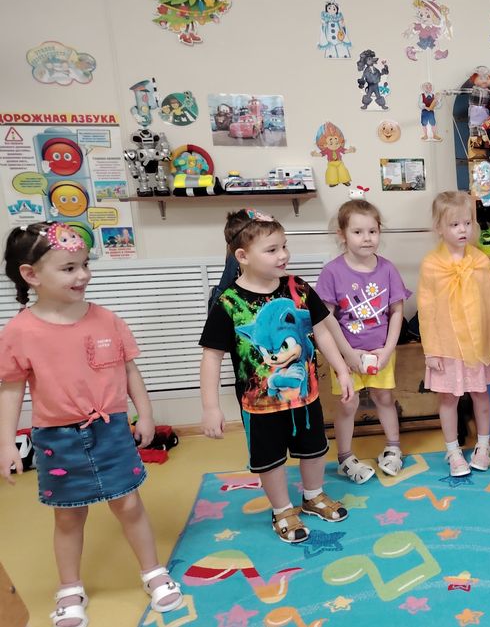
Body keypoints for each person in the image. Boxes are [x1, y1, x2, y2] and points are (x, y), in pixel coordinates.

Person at [0, 222, 183, 625]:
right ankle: (69, 587)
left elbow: (130, 371)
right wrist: (6, 442)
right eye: (69, 268)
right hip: (57, 438)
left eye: (85, 265)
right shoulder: (19, 331)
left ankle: (153, 571)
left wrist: (146, 413)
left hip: (111, 429)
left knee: (129, 504)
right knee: (68, 515)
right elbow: (11, 389)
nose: (82, 275)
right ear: (31, 274)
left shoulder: (107, 320)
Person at [199, 209, 355, 544]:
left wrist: (342, 370)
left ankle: (313, 496)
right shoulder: (228, 303)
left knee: (314, 450)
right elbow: (211, 357)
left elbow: (322, 332)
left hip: (305, 396)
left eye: (284, 246)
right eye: (272, 250)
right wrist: (211, 407)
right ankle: (282, 509)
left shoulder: (298, 288)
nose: (283, 255)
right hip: (259, 406)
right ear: (242, 256)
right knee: (269, 460)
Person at [316, 200, 411, 484]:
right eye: (358, 232)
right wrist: (347, 354)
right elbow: (326, 320)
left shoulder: (388, 269)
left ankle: (393, 447)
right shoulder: (332, 272)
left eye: (373, 231)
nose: (367, 238)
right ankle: (345, 457)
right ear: (342, 235)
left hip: (381, 352)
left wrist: (388, 350)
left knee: (384, 398)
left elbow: (397, 312)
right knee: (348, 404)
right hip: (346, 356)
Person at [418, 192, 490, 476]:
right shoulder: (431, 265)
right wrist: (432, 350)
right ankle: (453, 450)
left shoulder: (480, 261)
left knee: (481, 394)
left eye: (467, 223)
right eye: (455, 224)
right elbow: (427, 310)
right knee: (448, 399)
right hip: (447, 346)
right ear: (439, 227)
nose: (463, 230)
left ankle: (483, 445)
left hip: (478, 345)